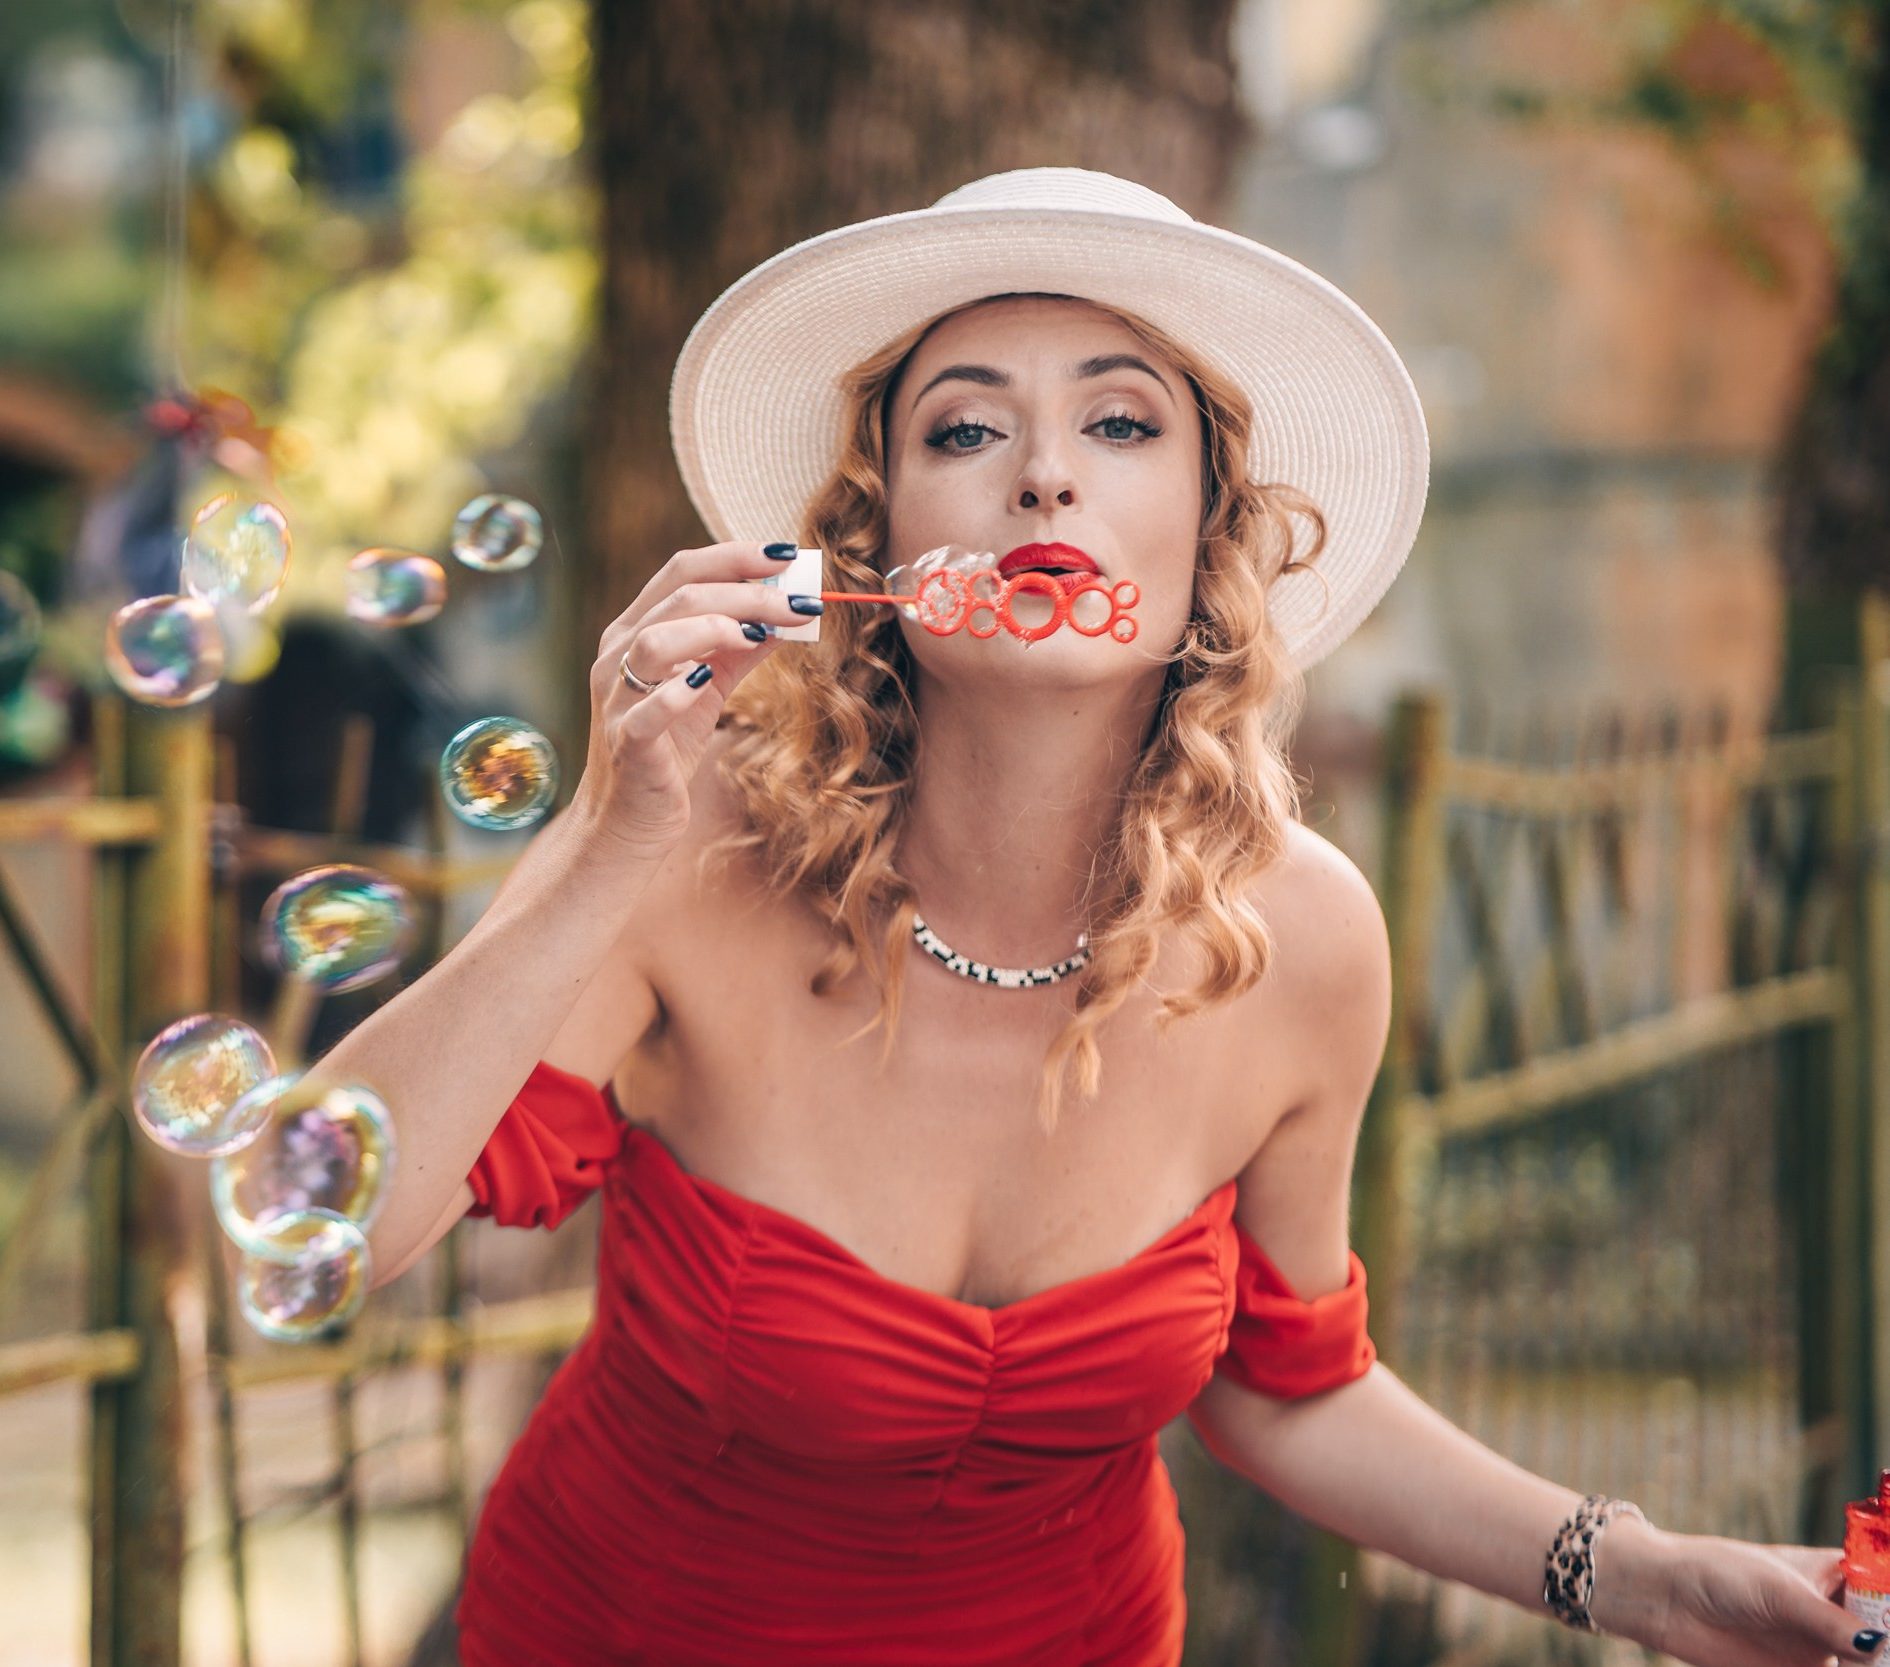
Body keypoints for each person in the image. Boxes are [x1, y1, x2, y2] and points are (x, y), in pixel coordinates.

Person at [316, 169, 1871, 1666]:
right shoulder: (685, 854)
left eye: (1121, 423)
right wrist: (598, 848)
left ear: (1212, 532)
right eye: (968, 426)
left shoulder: (1301, 940)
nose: (1043, 473)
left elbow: (1289, 1391)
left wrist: (1655, 1583)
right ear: (871, 550)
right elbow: (330, 1234)